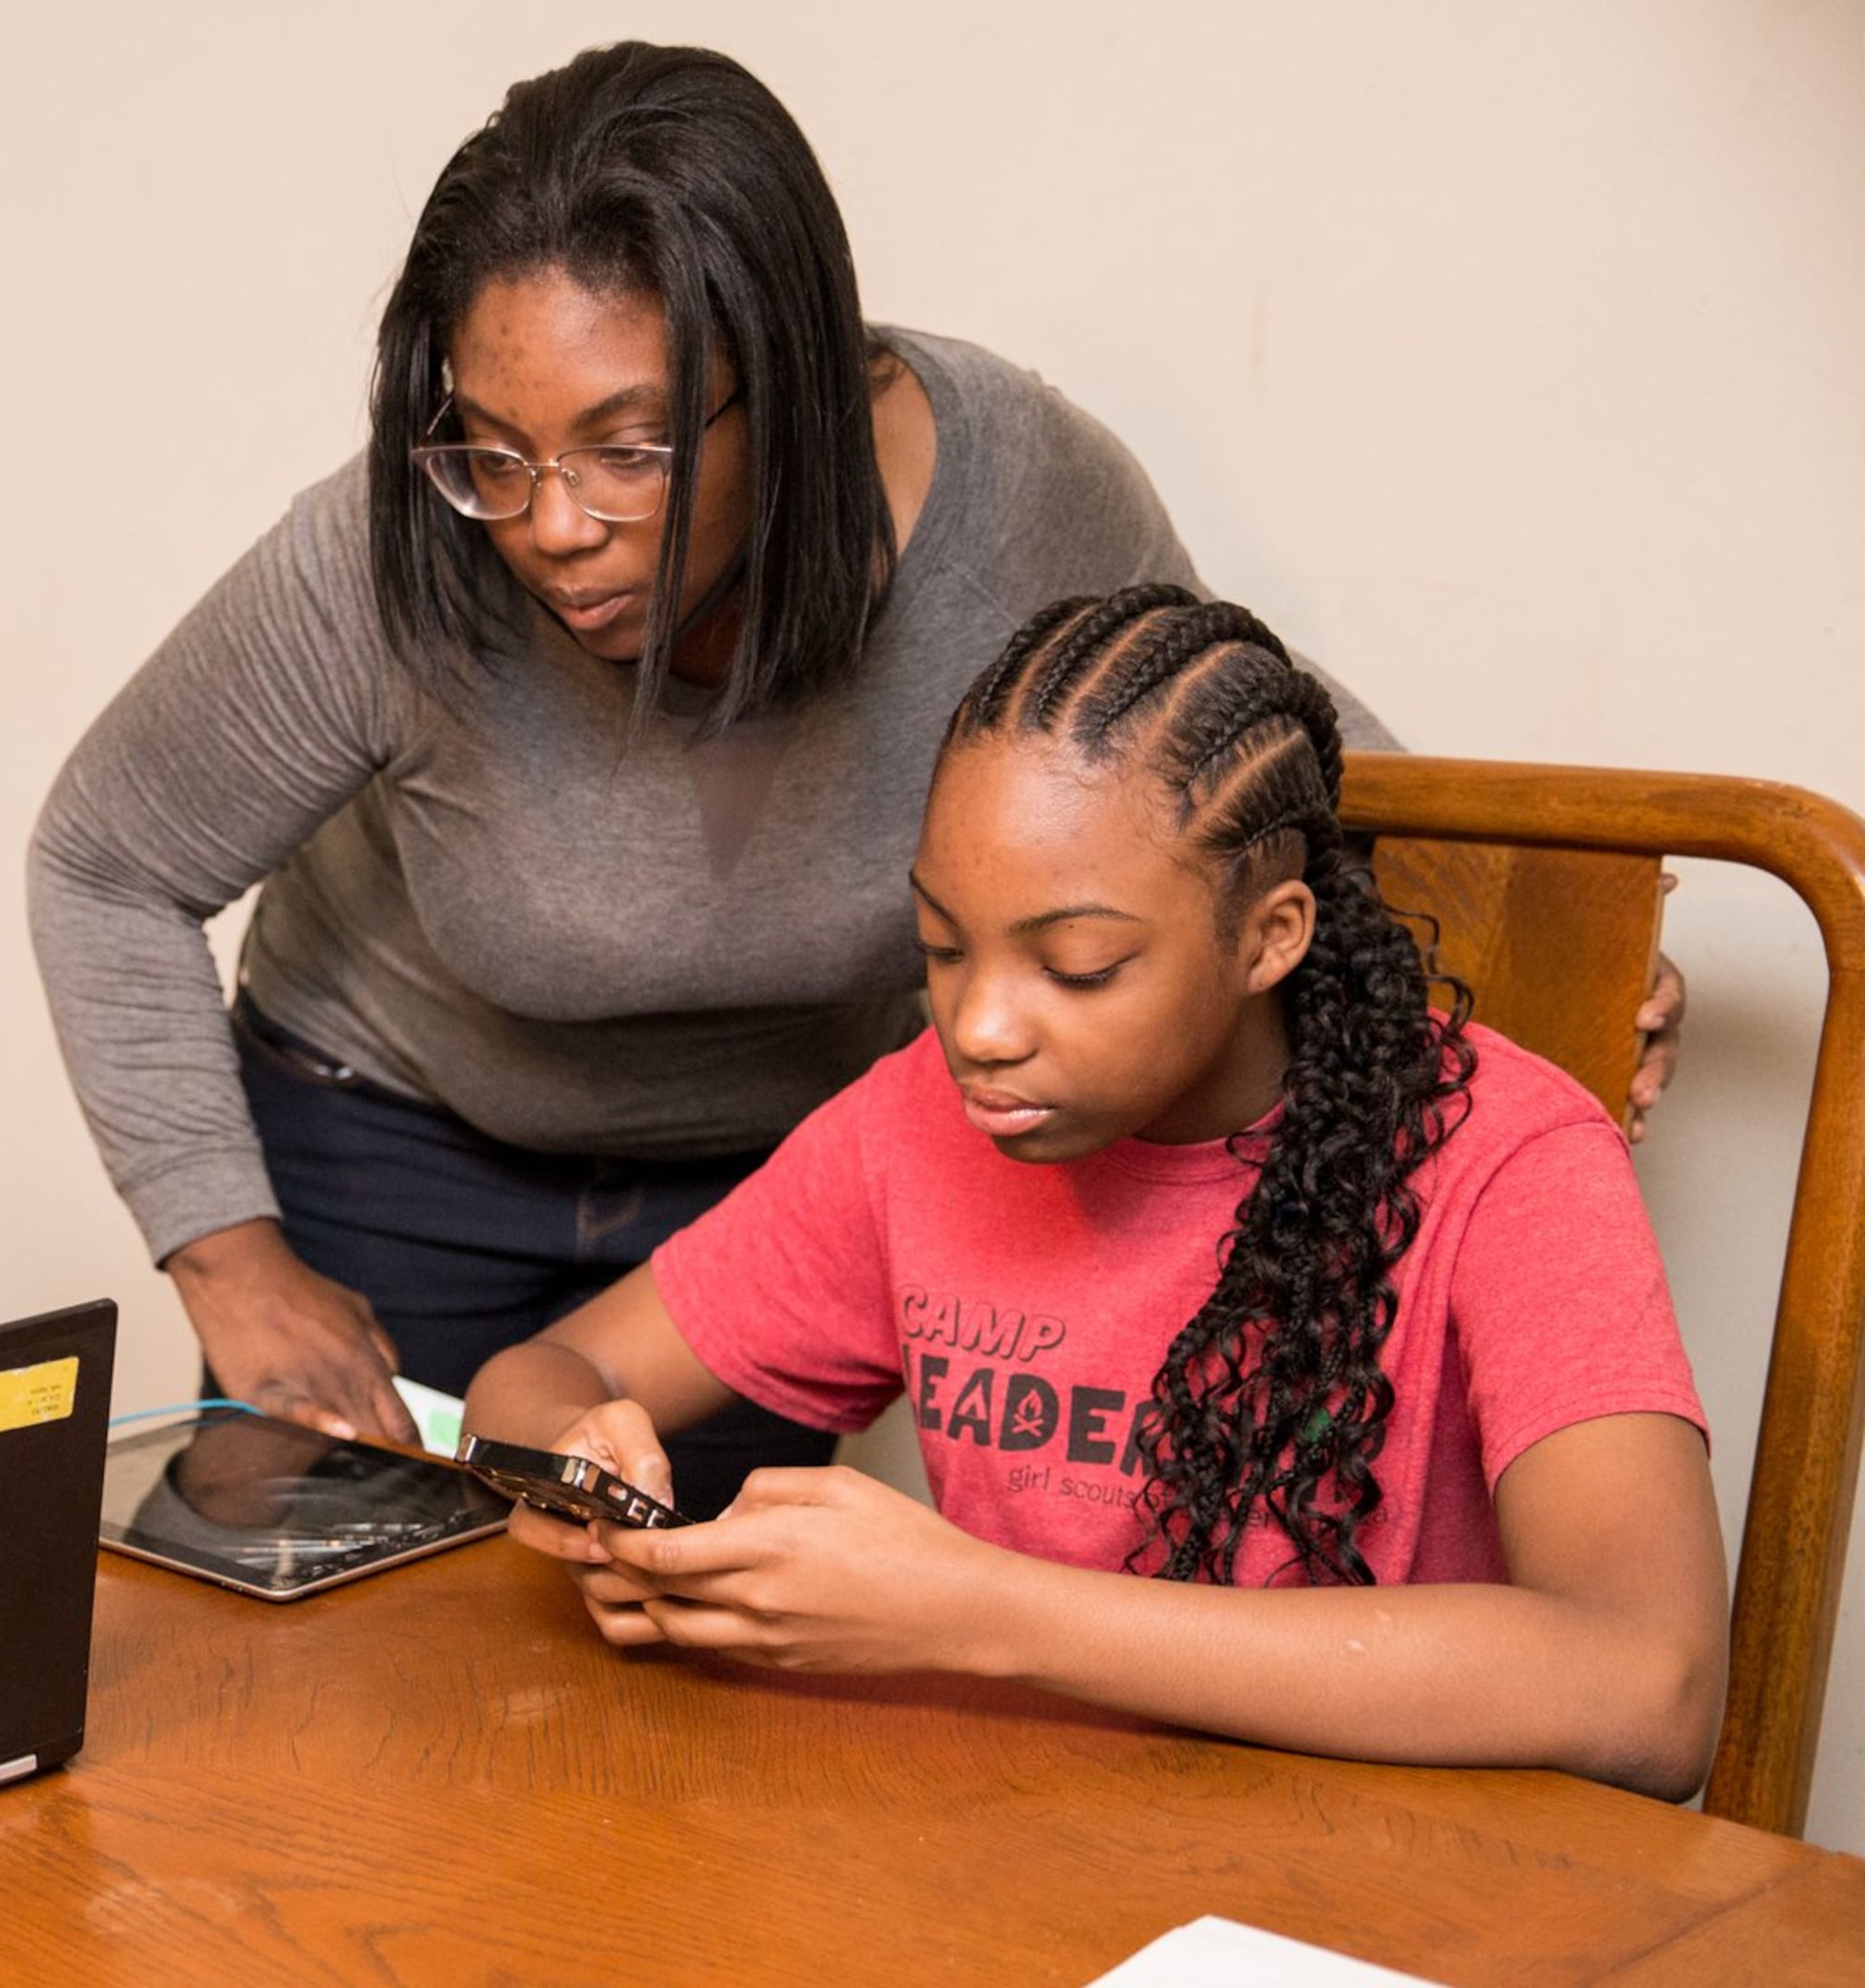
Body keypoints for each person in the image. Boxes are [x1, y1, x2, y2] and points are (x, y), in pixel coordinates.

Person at [26, 43, 1685, 1514]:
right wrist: (231, 1259)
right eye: (494, 449)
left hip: (778, 1188)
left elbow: (1238, 739)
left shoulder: (1013, 496)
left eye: (630, 446)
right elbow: (104, 859)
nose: (551, 523)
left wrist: (1567, 943)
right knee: (370, 1688)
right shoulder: (392, 556)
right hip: (397, 1147)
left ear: (796, 391)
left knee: (670, 1716)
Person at [464, 586, 1727, 1797]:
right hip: (1016, 1843)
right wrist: (573, 1479)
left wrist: (977, 1613)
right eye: (942, 949)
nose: (981, 1027)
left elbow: (1649, 1688)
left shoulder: (1508, 1153)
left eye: (1078, 966)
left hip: (1369, 1882)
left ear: (1269, 937)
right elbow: (550, 1374)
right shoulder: (918, 1121)